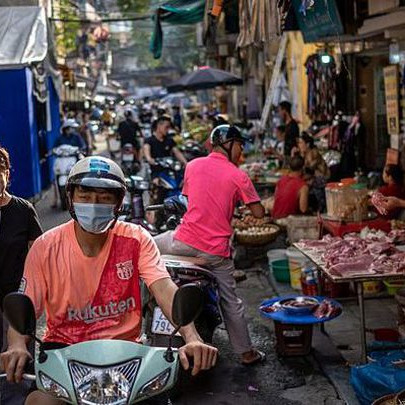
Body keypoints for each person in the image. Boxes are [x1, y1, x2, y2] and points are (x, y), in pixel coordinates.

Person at [0, 156, 217, 405]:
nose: (94, 204)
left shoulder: (137, 238)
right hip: (63, 351)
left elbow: (163, 287)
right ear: (70, 197)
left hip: (126, 352)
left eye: (105, 197)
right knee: (39, 402)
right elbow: (25, 303)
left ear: (119, 202)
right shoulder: (45, 247)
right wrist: (16, 345)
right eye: (85, 195)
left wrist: (192, 337)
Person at [155, 125, 266, 366]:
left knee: (147, 246)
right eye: (240, 145)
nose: (241, 151)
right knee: (230, 300)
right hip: (214, 254)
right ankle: (246, 353)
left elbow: (190, 198)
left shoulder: (192, 165)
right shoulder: (239, 175)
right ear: (229, 144)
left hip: (180, 244)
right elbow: (258, 213)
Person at [0, 146, 43, 404]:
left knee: (18, 361)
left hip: (16, 299)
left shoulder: (23, 210)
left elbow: (37, 253)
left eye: (0, 170)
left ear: (7, 174)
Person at [293, 132, 330, 212]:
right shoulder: (306, 154)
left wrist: (301, 155)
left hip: (321, 180)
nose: (299, 145)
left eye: (301, 143)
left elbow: (308, 170)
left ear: (308, 144)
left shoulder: (313, 153)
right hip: (313, 178)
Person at [272, 155, 309, 219]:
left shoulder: (281, 180)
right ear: (303, 168)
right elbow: (303, 209)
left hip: (275, 218)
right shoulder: (303, 186)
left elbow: (276, 198)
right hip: (289, 221)